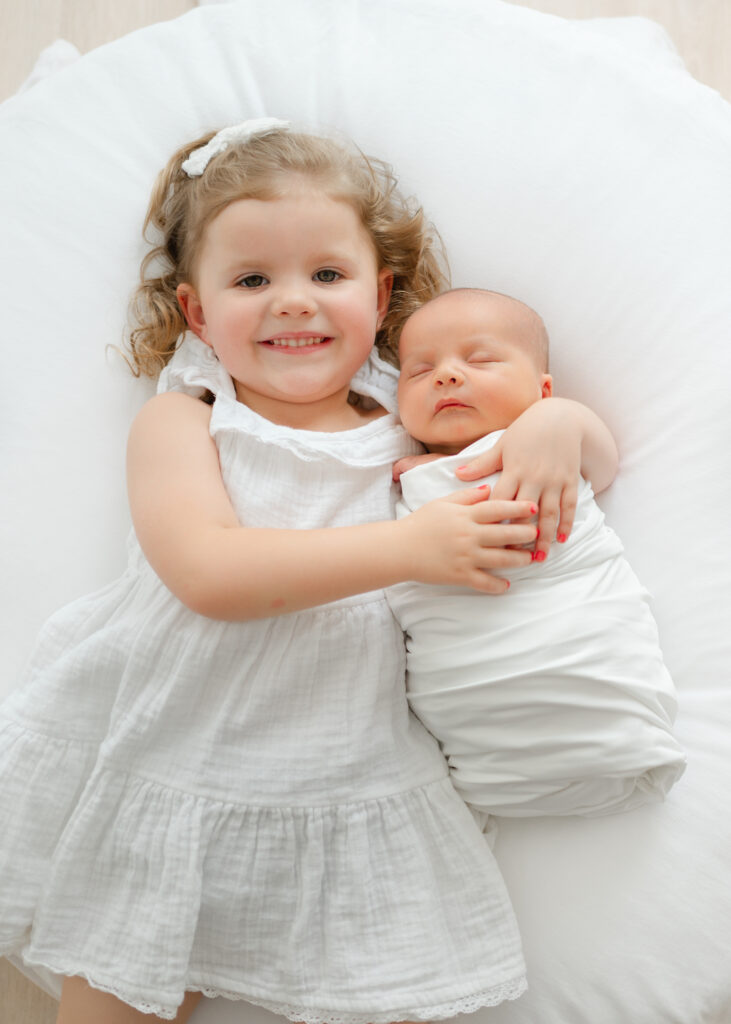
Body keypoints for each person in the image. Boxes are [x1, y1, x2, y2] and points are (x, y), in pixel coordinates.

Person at [0, 120, 615, 1024]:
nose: (293, 302)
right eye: (252, 280)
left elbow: (589, 470)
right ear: (198, 313)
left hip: (346, 769)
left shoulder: (413, 421)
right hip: (172, 757)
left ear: (381, 292)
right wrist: (409, 550)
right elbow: (207, 572)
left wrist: (557, 428)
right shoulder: (188, 421)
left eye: (326, 275)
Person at [389, 288, 686, 825]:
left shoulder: (548, 433)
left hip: (581, 661)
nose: (447, 376)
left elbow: (604, 461)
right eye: (418, 371)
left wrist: (559, 419)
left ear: (541, 388)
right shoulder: (398, 478)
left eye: (479, 360)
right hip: (477, 727)